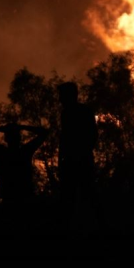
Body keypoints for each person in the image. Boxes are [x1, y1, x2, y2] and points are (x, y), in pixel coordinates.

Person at [57, 82, 98, 226]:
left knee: (76, 196)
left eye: (62, 96)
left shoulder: (75, 112)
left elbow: (91, 135)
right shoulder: (78, 111)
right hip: (77, 159)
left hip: (77, 160)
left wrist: (66, 157)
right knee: (76, 196)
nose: (60, 99)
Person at [0, 123, 48, 205]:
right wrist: (22, 127)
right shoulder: (25, 151)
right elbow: (44, 133)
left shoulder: (1, 153)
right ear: (20, 138)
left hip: (8, 196)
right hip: (26, 194)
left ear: (6, 139)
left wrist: (0, 129)